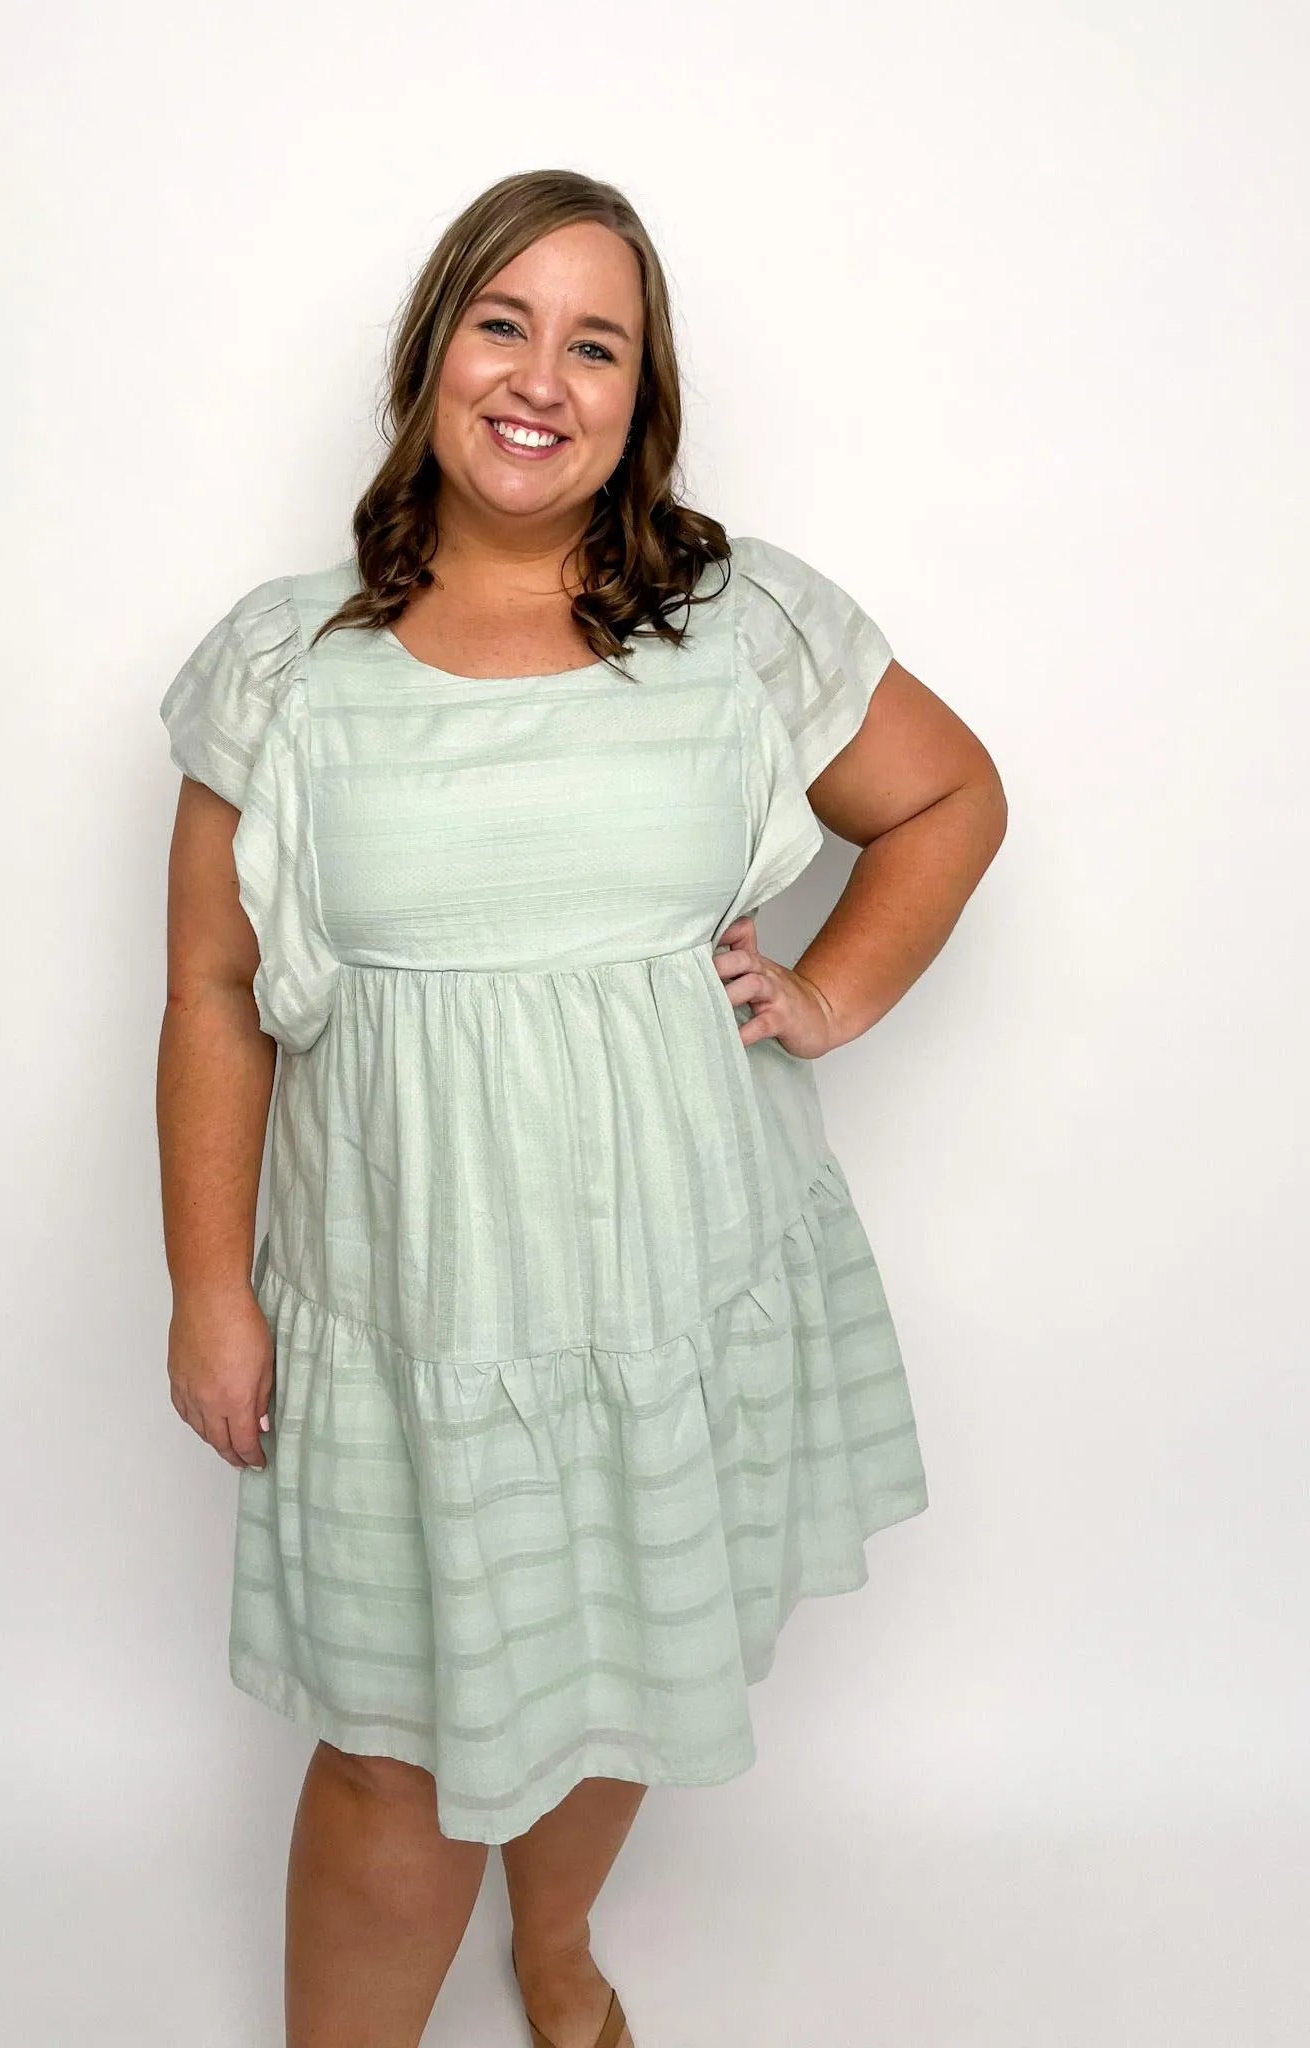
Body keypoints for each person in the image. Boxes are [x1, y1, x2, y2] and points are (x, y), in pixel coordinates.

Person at [155, 167, 1007, 2048]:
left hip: (668, 1296)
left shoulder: (736, 619)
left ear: (641, 398)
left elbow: (951, 797)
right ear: (431, 358)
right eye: (504, 323)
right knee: (387, 1746)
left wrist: (830, 992)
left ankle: (554, 1953)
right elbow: (213, 991)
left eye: (596, 343)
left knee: (620, 1656)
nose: (543, 376)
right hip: (406, 1317)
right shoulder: (289, 667)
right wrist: (209, 1286)